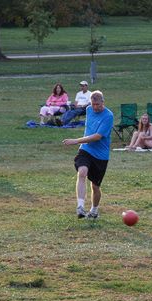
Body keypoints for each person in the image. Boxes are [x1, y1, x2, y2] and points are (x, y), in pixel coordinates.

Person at [62, 91, 113, 219]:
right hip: (86, 150)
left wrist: (76, 141)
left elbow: (97, 137)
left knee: (95, 186)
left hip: (101, 155)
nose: (95, 107)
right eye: (93, 104)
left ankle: (94, 210)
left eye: (98, 104)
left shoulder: (108, 115)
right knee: (82, 172)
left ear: (103, 102)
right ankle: (80, 207)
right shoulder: (89, 110)